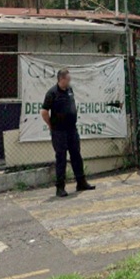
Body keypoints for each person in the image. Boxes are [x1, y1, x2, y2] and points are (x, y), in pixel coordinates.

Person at [41, 68, 96, 198]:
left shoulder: (70, 90)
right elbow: (44, 112)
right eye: (68, 79)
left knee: (76, 155)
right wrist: (51, 125)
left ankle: (81, 182)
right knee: (61, 158)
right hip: (59, 131)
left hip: (72, 129)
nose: (70, 81)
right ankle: (60, 188)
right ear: (62, 79)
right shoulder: (52, 93)